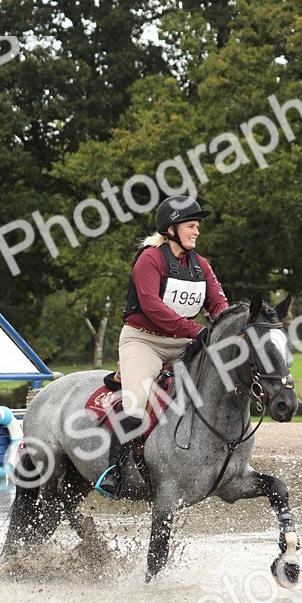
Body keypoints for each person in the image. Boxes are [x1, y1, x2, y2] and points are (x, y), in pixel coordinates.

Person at [95, 195, 229, 499]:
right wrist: (196, 330)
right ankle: (113, 470)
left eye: (197, 226)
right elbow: (152, 307)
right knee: (136, 401)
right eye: (191, 226)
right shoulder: (150, 259)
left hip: (184, 342)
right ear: (172, 228)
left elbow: (218, 303)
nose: (197, 232)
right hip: (144, 342)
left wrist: (227, 324)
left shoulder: (201, 265)